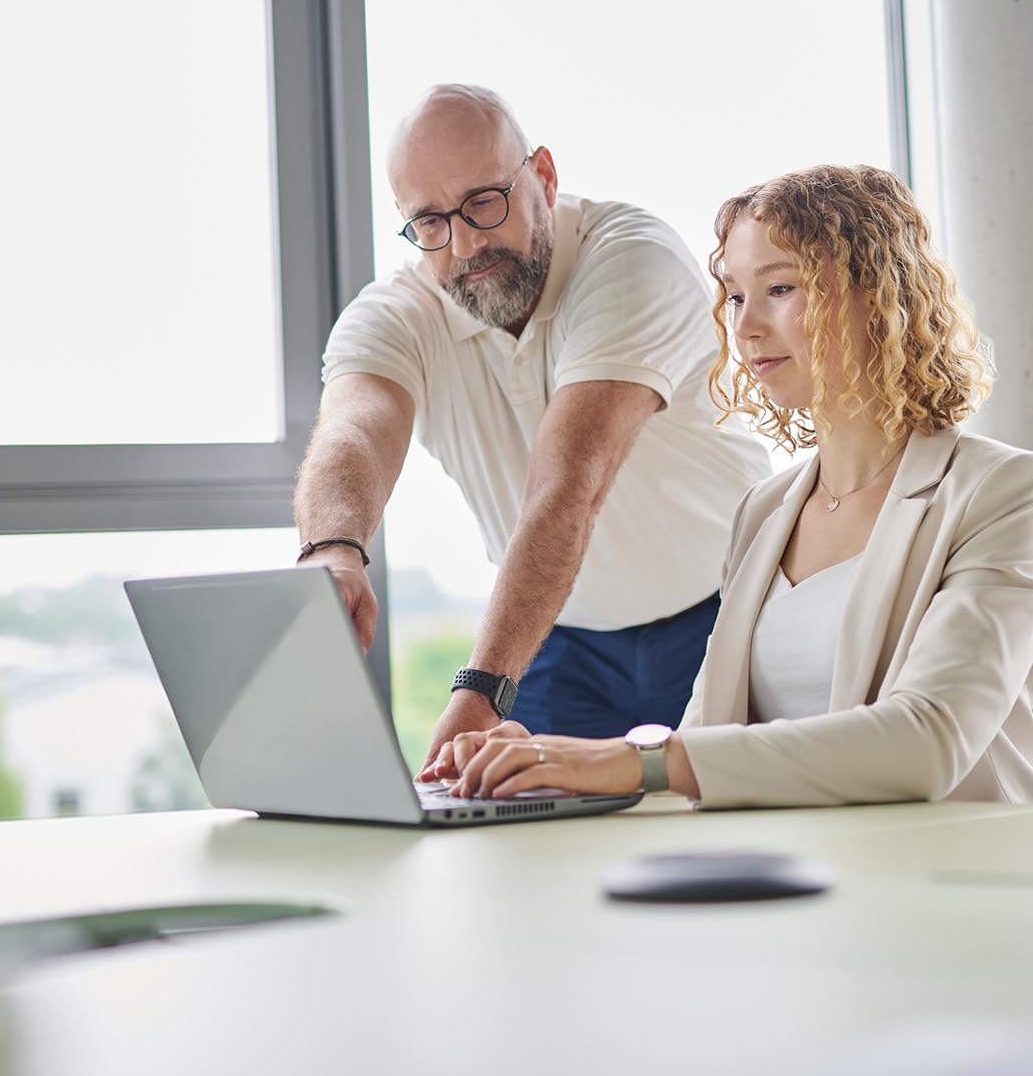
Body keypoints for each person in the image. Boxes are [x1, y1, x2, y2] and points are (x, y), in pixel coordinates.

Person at [426, 164, 1033, 808]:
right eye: (734, 296)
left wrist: (623, 759)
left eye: (780, 288)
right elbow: (704, 757)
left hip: (960, 881)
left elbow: (928, 742)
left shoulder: (1004, 491)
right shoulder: (763, 513)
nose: (745, 326)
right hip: (801, 882)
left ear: (878, 292)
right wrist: (537, 768)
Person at [294, 84, 770, 766]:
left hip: (728, 609)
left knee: (746, 837)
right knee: (527, 842)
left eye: (484, 201)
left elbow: (570, 482)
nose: (465, 242)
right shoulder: (398, 313)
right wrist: (334, 547)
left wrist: (482, 686)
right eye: (429, 221)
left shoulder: (631, 258)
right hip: (557, 633)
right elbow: (354, 430)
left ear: (543, 177)